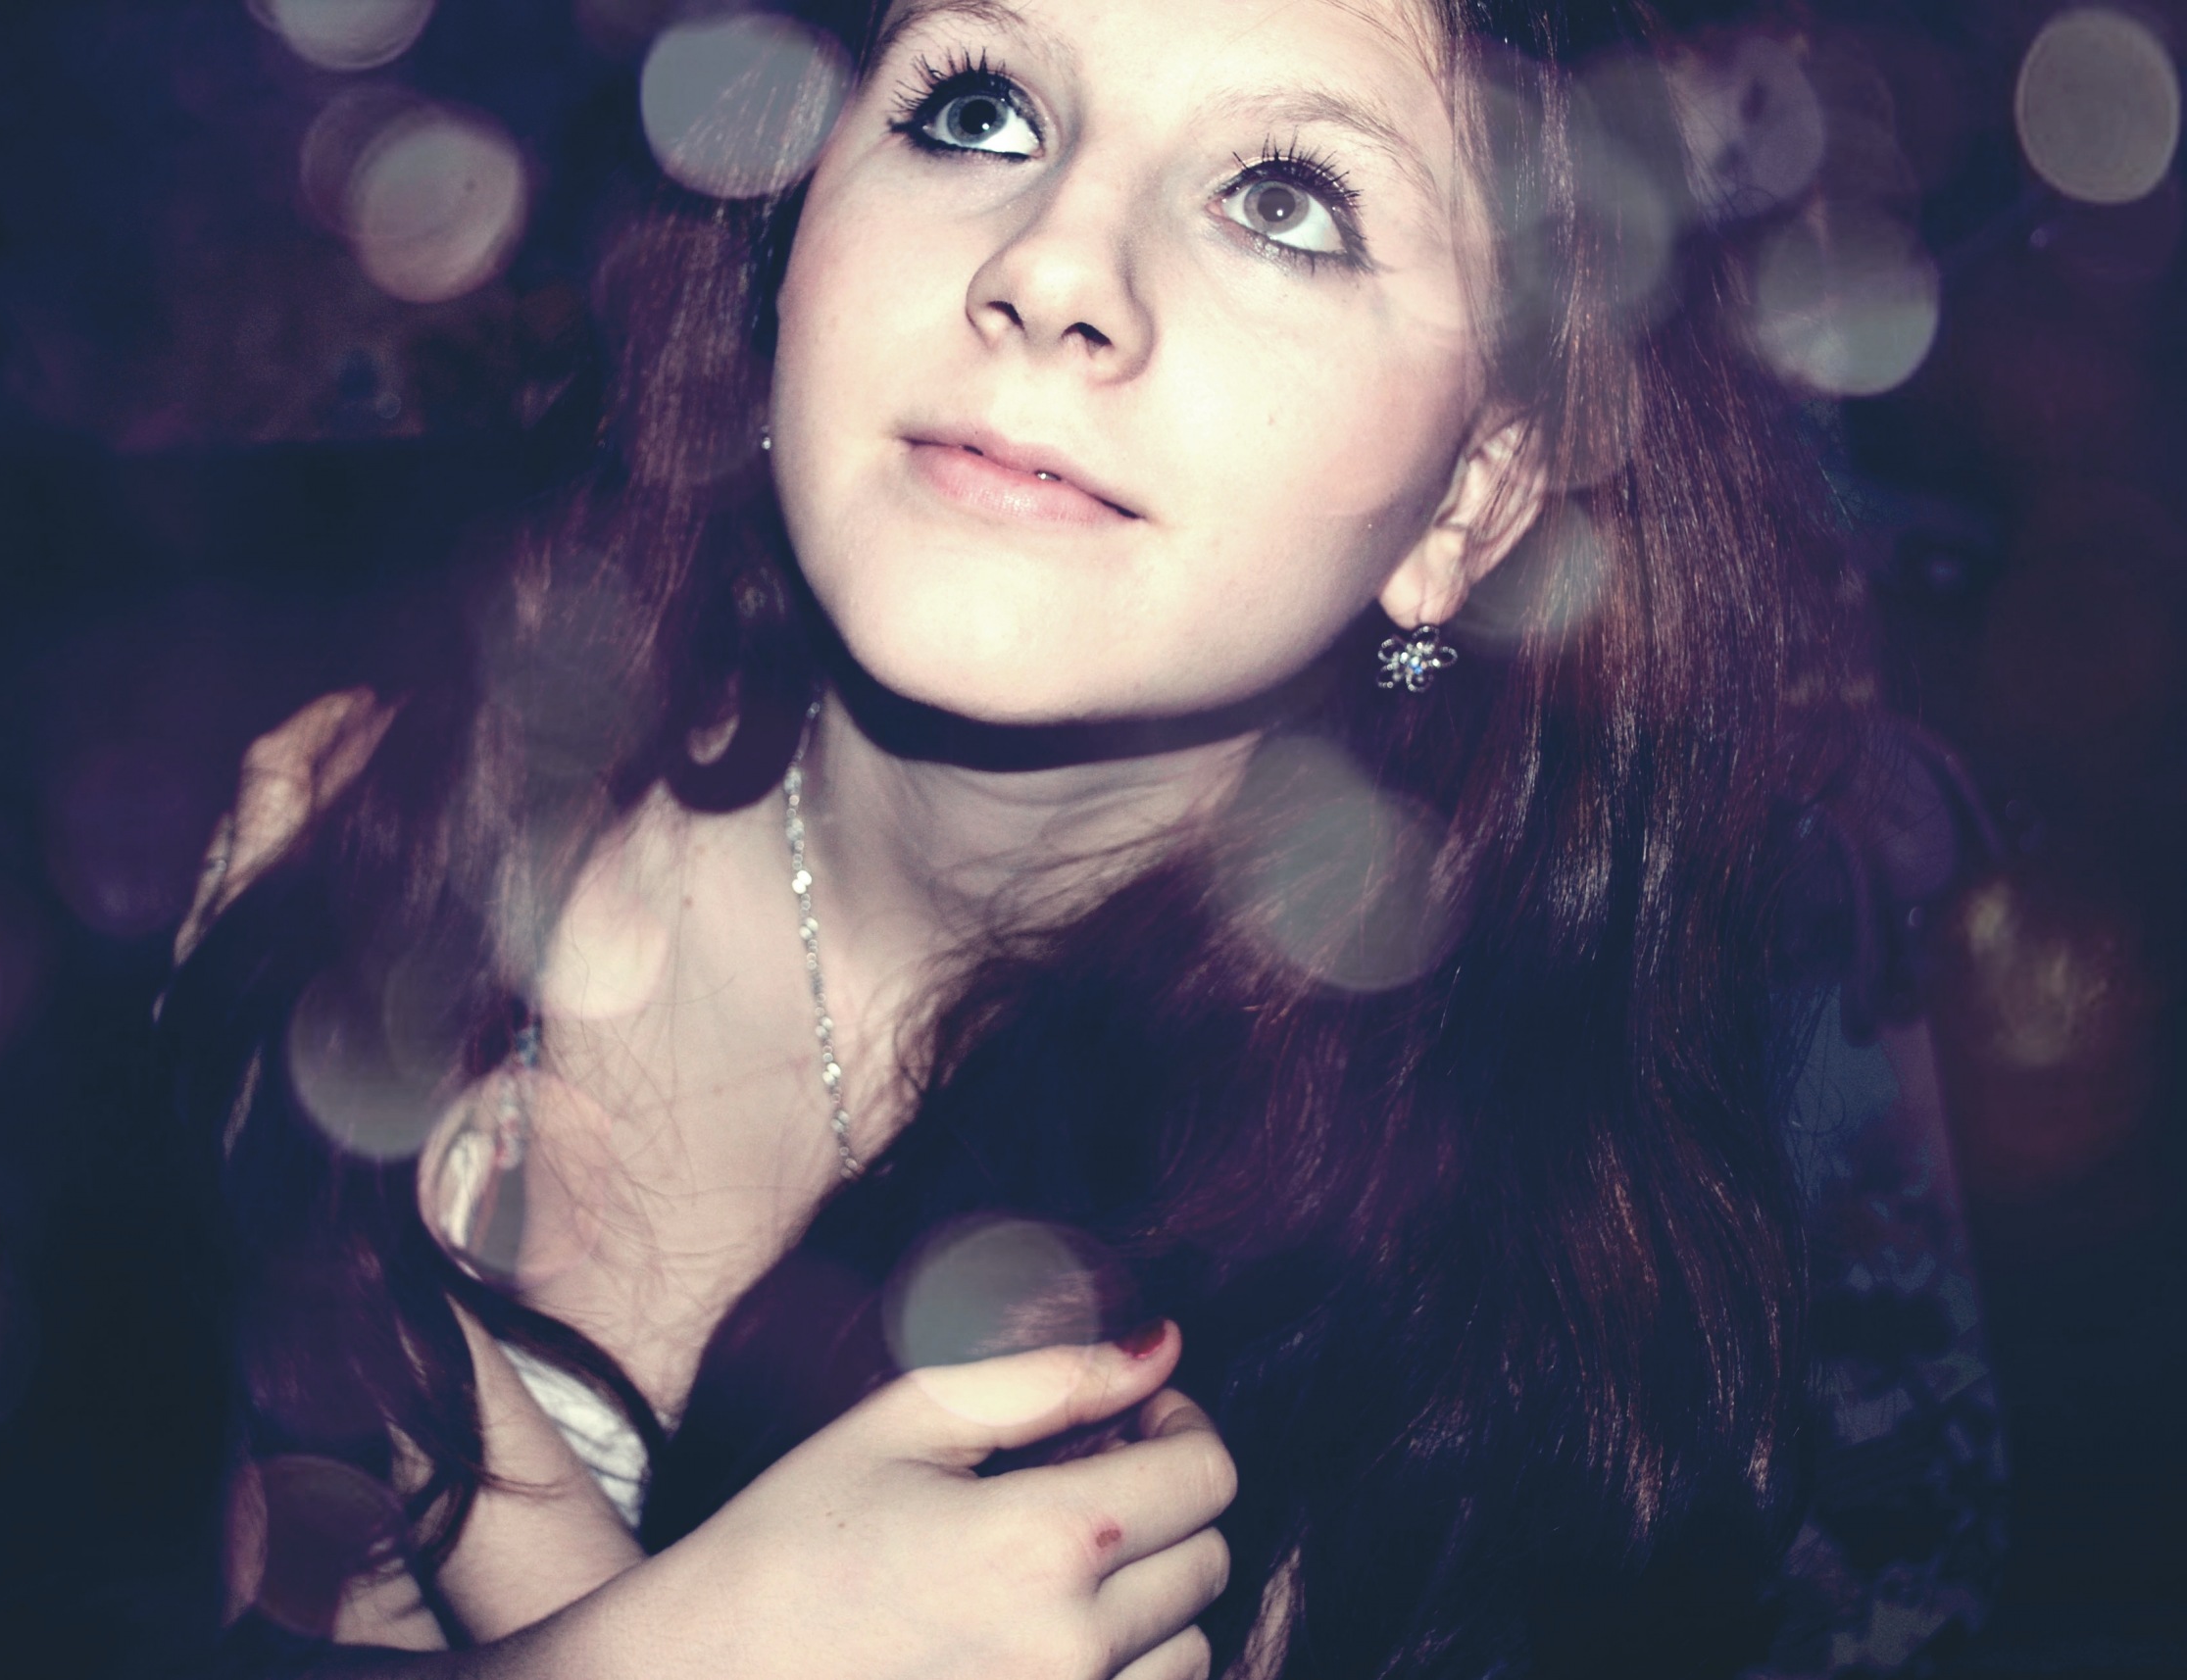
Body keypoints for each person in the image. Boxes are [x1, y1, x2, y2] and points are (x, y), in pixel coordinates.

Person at [159, 0, 1868, 1674]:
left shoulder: (1454, 1318)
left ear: (1470, 508)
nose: (1052, 266)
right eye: (977, 110)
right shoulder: (406, 836)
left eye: (1285, 202)